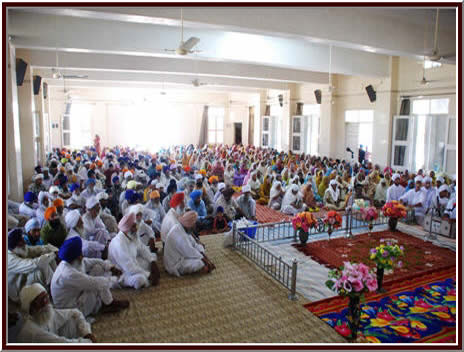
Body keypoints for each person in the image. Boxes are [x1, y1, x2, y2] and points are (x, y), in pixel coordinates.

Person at [51, 237, 128, 317]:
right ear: (76, 255)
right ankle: (109, 303)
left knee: (98, 267)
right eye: (80, 251)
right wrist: (115, 279)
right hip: (72, 309)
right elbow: (95, 283)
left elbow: (92, 261)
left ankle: (108, 302)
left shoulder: (71, 261)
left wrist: (110, 267)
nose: (82, 253)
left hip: (76, 295)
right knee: (98, 284)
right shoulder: (68, 274)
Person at [16, 283, 95, 343]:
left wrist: (87, 333)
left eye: (45, 297)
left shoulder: (46, 313)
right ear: (31, 308)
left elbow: (75, 313)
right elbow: (63, 343)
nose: (45, 303)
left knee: (72, 321)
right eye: (40, 301)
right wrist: (89, 342)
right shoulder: (32, 332)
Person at [108, 213, 160, 289]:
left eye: (135, 226)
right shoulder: (119, 243)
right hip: (122, 272)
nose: (136, 228)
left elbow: (143, 249)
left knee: (153, 257)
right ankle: (145, 277)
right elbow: (129, 267)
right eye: (133, 227)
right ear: (127, 228)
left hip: (135, 262)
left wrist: (152, 261)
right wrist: (149, 275)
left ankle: (147, 273)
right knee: (140, 280)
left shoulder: (133, 235)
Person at [8, 228, 57, 302]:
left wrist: (55, 250)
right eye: (21, 241)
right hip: (18, 291)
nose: (24, 242)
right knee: (40, 269)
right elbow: (34, 264)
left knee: (47, 258)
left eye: (22, 238)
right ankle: (53, 290)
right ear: (15, 245)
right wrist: (53, 254)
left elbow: (37, 249)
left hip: (25, 279)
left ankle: (55, 285)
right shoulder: (9, 259)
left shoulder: (20, 248)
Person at [163, 211, 215, 277]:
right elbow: (190, 251)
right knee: (200, 263)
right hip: (175, 263)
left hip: (183, 254)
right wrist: (206, 261)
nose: (195, 226)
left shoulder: (183, 228)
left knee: (200, 247)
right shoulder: (180, 234)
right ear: (190, 224)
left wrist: (206, 258)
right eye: (194, 224)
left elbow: (194, 244)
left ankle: (204, 266)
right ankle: (203, 268)